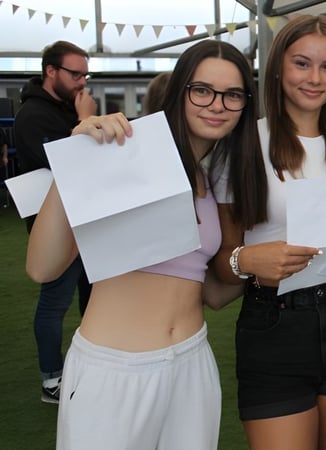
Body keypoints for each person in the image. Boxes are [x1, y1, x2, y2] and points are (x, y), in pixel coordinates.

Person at [26, 39, 265, 449]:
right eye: (202, 90)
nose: (217, 105)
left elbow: (213, 292)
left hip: (191, 364)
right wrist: (76, 158)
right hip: (113, 368)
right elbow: (42, 268)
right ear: (179, 92)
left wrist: (253, 260)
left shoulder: (211, 182)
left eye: (233, 95)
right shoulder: (119, 153)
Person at [210, 15, 326, 450]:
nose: (315, 78)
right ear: (278, 69)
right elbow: (220, 263)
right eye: (302, 64)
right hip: (273, 323)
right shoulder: (241, 145)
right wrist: (247, 260)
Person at [14, 40, 96, 404]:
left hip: (87, 219)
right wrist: (83, 120)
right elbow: (70, 164)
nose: (82, 81)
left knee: (93, 298)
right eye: (75, 73)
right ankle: (52, 380)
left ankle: (90, 366)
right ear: (51, 71)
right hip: (59, 229)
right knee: (54, 304)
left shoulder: (63, 108)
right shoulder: (34, 115)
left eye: (84, 74)